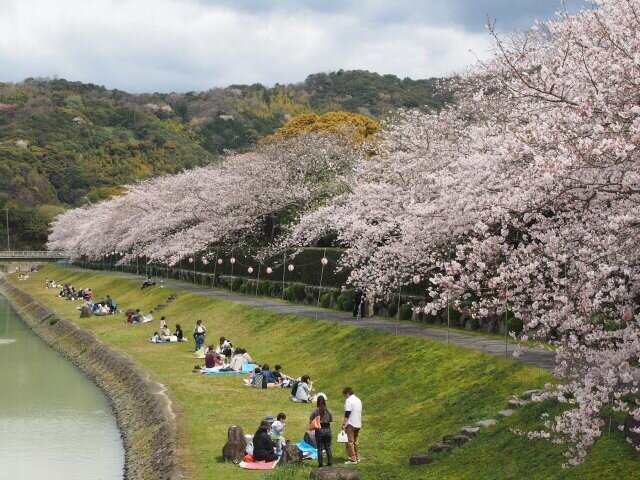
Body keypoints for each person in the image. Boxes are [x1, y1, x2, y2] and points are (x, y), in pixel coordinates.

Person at [310, 396, 334, 467]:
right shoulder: (328, 410)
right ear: (324, 401)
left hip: (319, 430)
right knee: (328, 447)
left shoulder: (315, 411)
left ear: (317, 401)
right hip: (327, 430)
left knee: (319, 448)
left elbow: (310, 421)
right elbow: (331, 420)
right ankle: (330, 462)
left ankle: (320, 464)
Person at [342, 387, 362, 464]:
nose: (344, 397)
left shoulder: (349, 400)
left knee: (349, 442)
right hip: (358, 423)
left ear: (347, 393)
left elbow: (347, 413)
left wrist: (344, 424)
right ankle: (357, 457)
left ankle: (352, 459)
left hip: (351, 423)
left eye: (344, 395)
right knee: (355, 441)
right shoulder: (358, 400)